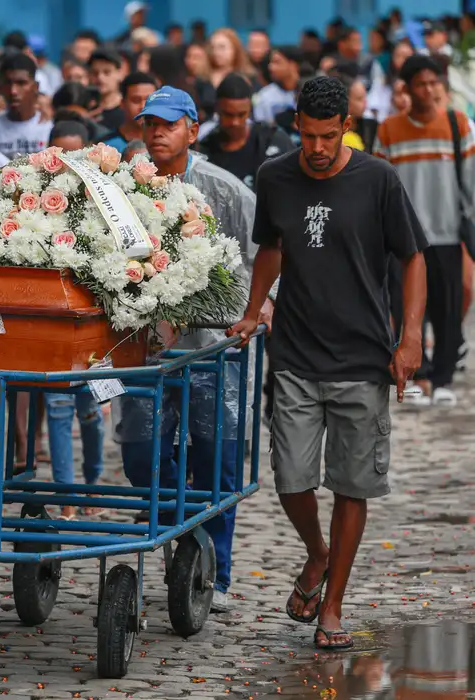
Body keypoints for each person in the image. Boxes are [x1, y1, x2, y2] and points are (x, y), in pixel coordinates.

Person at [228, 75, 427, 652]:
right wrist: (252, 309)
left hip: (364, 357)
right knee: (290, 478)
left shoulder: (379, 180)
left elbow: (412, 257)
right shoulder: (275, 177)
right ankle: (317, 552)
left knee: (351, 483)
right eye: (307, 136)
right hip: (293, 351)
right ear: (297, 126)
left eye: (327, 136)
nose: (316, 148)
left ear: (346, 127)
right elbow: (272, 247)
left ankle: (332, 604)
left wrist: (409, 338)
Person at [116, 86, 263, 614]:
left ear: (193, 129)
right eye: (148, 123)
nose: (156, 132)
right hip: (147, 353)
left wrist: (256, 312)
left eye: (168, 123)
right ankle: (188, 532)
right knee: (140, 455)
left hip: (214, 350)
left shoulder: (223, 189)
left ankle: (214, 574)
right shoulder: (126, 189)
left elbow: (264, 252)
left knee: (217, 460)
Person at [373, 56, 472, 407]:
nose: (428, 90)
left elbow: (471, 184)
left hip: (445, 233)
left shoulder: (458, 124)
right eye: (421, 83)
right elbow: (380, 186)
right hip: (404, 238)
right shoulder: (389, 129)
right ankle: (421, 374)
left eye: (434, 83)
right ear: (407, 88)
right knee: (406, 308)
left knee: (447, 308)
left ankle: (443, 377)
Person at [198, 73, 296, 191]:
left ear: (250, 109)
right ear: (217, 109)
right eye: (228, 115)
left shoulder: (272, 140)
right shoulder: (206, 150)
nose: (235, 122)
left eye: (241, 114)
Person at [0, 52, 52, 158]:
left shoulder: (49, 128)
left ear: (35, 87)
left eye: (21, 83)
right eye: (8, 83)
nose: (13, 91)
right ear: (0, 87)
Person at [100, 72, 158, 152]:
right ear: (122, 104)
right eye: (136, 100)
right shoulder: (105, 147)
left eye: (149, 100)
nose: (143, 106)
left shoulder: (167, 142)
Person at [255, 46, 302, 126]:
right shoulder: (264, 96)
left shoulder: (310, 91)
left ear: (292, 65)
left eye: (277, 62)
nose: (270, 67)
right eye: (270, 62)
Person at [88, 49, 126, 132]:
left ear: (119, 73)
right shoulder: (85, 108)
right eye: (95, 73)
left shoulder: (128, 110)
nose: (100, 78)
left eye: (107, 72)